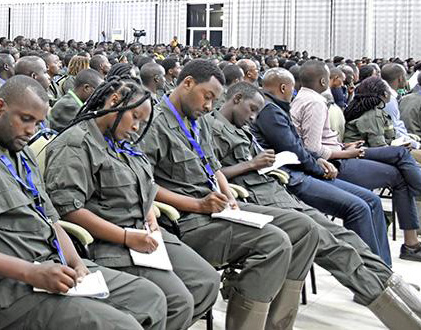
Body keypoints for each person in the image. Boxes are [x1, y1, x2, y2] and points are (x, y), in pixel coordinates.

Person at [0, 76, 167, 330]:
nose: (32, 131)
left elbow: (51, 220)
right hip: (13, 288)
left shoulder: (23, 153)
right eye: (26, 119)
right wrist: (30, 273)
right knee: (122, 326)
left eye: (38, 123)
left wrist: (76, 264)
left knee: (151, 299)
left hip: (55, 266)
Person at [210, 81, 421, 328]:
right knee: (337, 250)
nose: (254, 117)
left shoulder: (239, 128)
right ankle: (407, 322)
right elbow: (212, 172)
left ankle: (411, 303)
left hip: (277, 193)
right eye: (252, 110)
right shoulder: (211, 127)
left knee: (350, 241)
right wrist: (253, 164)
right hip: (258, 201)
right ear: (236, 99)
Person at [142, 59, 319, 329]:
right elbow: (145, 186)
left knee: (305, 228)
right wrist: (198, 204)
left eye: (214, 100)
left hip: (215, 209)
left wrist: (229, 196)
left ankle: (276, 324)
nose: (209, 106)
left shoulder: (197, 122)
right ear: (187, 83)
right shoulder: (153, 123)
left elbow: (214, 168)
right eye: (207, 96)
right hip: (185, 220)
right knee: (274, 241)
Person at [44, 76, 219, 330]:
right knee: (177, 300)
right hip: (108, 241)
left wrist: (149, 212)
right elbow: (69, 210)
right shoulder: (76, 143)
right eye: (135, 117)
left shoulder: (122, 142)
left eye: (142, 121)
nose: (137, 127)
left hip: (143, 232)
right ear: (114, 101)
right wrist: (126, 237)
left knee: (206, 281)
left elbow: (144, 182)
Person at [253, 67, 394, 264]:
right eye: (292, 90)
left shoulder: (276, 107)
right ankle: (373, 277)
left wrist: (318, 162)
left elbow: (299, 148)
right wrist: (319, 167)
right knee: (358, 207)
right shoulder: (270, 110)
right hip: (292, 176)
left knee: (372, 200)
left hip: (304, 168)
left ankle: (384, 270)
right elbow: (294, 150)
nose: (293, 94)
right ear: (283, 87)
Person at [291, 60, 421, 262]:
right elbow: (313, 149)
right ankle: (401, 252)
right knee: (399, 164)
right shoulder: (315, 102)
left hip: (339, 154)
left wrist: (344, 148)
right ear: (324, 80)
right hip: (334, 164)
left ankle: (396, 257)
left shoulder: (305, 99)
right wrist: (344, 153)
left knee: (400, 167)